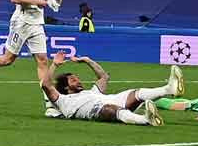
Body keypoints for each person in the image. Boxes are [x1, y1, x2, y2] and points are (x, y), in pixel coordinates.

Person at [40, 51, 183, 126]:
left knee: (136, 92)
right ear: (65, 87)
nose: (78, 80)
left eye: (77, 78)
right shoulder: (63, 101)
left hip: (112, 100)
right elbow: (46, 84)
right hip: (97, 110)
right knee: (109, 108)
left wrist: (88, 61)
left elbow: (103, 77)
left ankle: (169, 89)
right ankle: (145, 119)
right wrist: (55, 65)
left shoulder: (91, 92)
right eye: (73, 80)